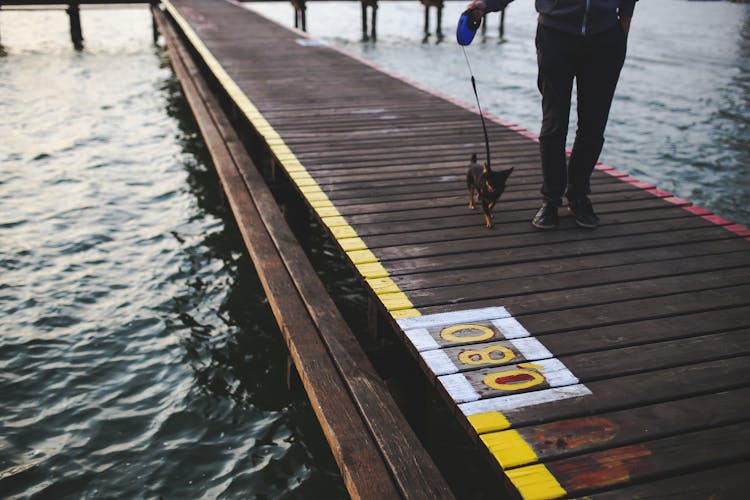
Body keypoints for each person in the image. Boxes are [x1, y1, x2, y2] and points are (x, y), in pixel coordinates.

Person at [464, 0, 637, 229]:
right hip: (555, 37)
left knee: (593, 126)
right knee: (554, 123)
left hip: (604, 41)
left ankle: (578, 197)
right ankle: (551, 200)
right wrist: (486, 4)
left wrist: (619, 42)